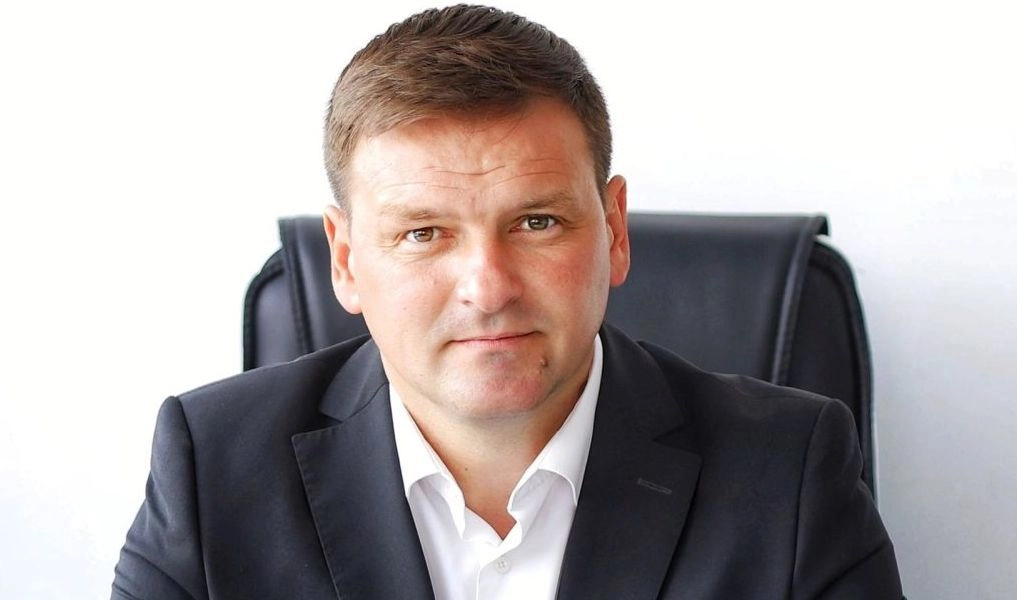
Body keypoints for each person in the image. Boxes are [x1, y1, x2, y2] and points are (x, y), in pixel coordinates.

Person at [112, 5, 903, 599]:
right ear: (346, 261)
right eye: (423, 233)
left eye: (537, 222)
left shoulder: (788, 473)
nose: (487, 288)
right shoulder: (211, 469)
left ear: (614, 230)